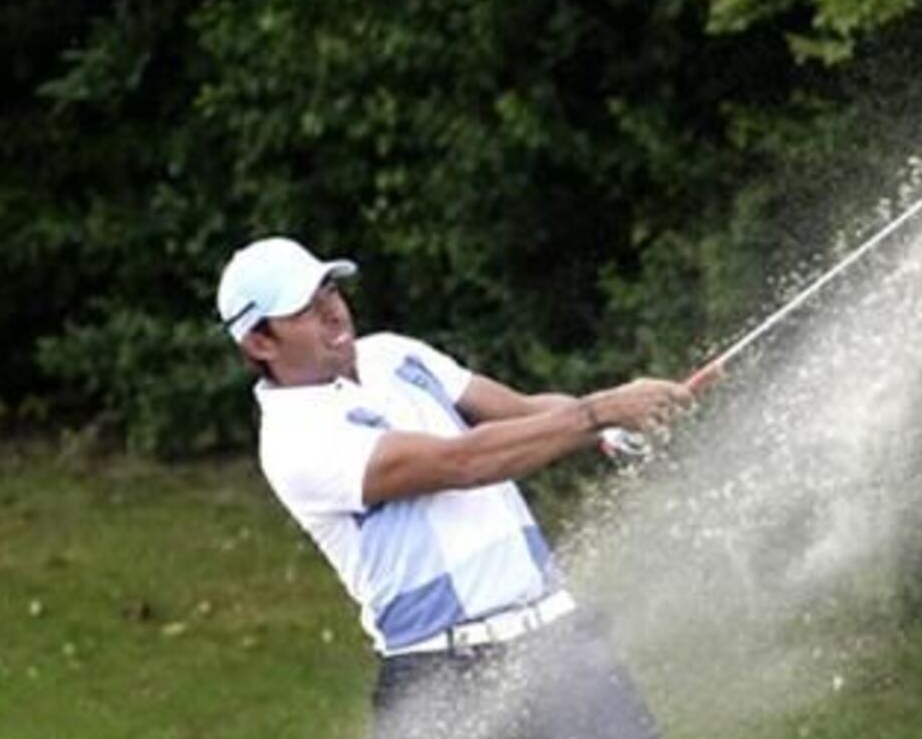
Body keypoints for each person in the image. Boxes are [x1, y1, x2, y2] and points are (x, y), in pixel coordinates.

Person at [215, 236, 690, 739]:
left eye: (330, 292)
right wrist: (602, 411)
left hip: (559, 645)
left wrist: (610, 422)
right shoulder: (297, 442)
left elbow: (524, 412)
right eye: (305, 310)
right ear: (260, 343)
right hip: (444, 677)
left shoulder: (394, 355)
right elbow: (461, 462)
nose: (333, 314)